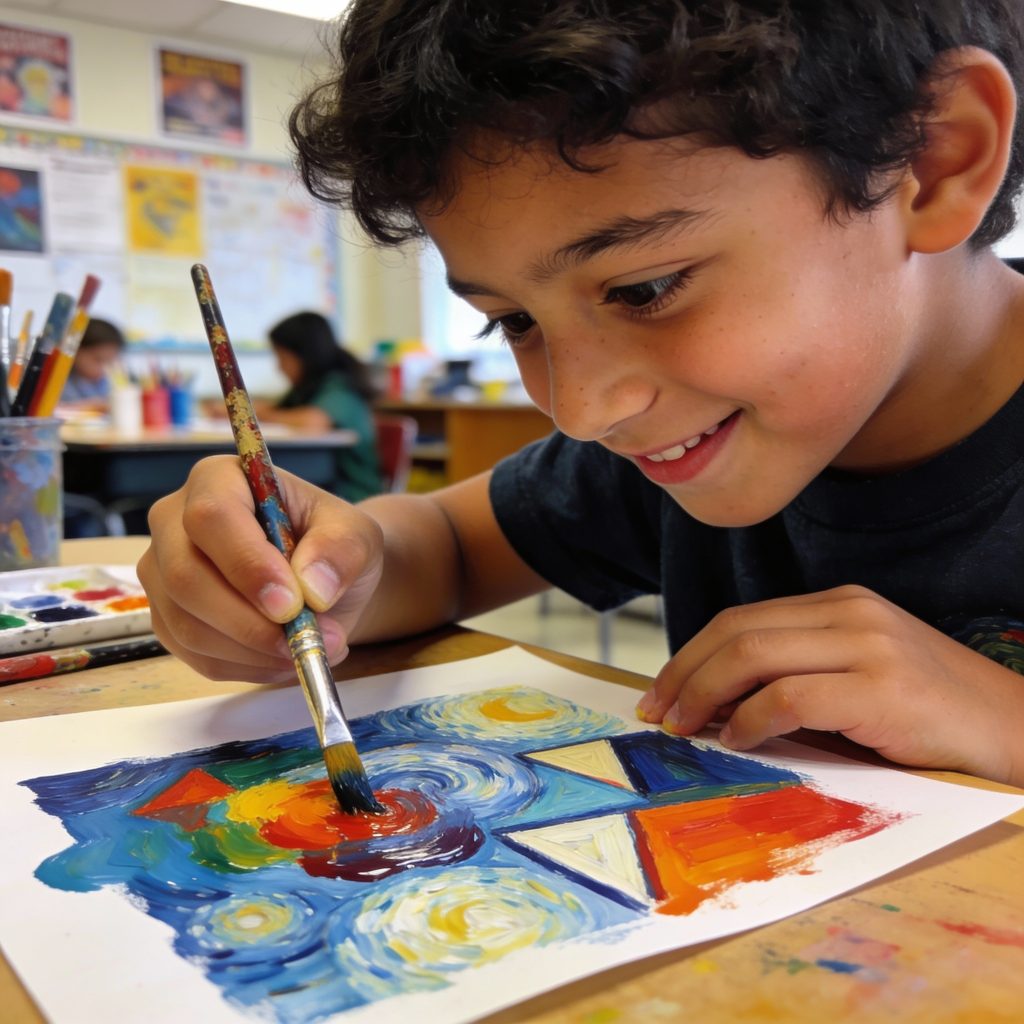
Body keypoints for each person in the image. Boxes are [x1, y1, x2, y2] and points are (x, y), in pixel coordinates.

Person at [139, 1, 1024, 788]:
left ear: (936, 157)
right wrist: (332, 563)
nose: (583, 411)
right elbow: (448, 546)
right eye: (512, 321)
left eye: (645, 289)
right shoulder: (686, 441)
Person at [254, 311, 382, 502]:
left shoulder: (340, 385)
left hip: (353, 495)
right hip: (323, 490)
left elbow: (313, 420)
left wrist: (261, 414)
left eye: (282, 357)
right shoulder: (306, 388)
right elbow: (280, 410)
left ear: (303, 354)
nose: (279, 367)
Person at [60, 317, 124, 407]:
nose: (104, 368)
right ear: (75, 351)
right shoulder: (60, 383)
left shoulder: (105, 382)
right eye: (98, 360)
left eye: (110, 362)